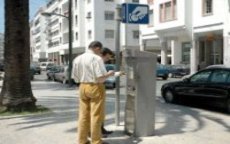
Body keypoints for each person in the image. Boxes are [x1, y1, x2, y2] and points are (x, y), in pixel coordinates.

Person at [72, 41, 122, 144]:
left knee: (83, 115)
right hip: (95, 87)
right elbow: (100, 78)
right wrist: (109, 74)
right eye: (100, 50)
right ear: (97, 48)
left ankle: (82, 140)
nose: (100, 53)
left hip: (82, 86)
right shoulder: (96, 58)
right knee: (96, 115)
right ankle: (96, 141)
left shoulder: (77, 58)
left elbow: (75, 78)